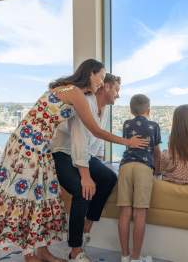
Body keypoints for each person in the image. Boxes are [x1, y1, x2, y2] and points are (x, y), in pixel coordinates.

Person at [0, 59, 147, 262]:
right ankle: (30, 254)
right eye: (100, 78)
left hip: (41, 146)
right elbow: (95, 131)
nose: (102, 83)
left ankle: (43, 251)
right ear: (90, 73)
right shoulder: (75, 92)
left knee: (44, 196)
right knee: (29, 198)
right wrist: (128, 141)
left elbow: (89, 134)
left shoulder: (74, 92)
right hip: (28, 146)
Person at [51, 73, 123, 262]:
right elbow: (79, 141)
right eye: (116, 89)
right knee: (82, 190)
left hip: (84, 155)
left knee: (109, 178)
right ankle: (75, 250)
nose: (118, 94)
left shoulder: (105, 109)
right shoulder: (86, 103)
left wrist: (98, 162)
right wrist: (85, 175)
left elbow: (97, 140)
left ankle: (87, 226)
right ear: (106, 87)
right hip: (63, 152)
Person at [117, 94, 161, 262]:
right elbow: (156, 153)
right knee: (140, 214)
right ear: (148, 110)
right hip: (143, 168)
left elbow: (129, 144)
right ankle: (136, 258)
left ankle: (124, 256)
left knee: (124, 212)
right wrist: (157, 172)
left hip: (125, 166)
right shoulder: (154, 125)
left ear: (131, 109)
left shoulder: (127, 124)